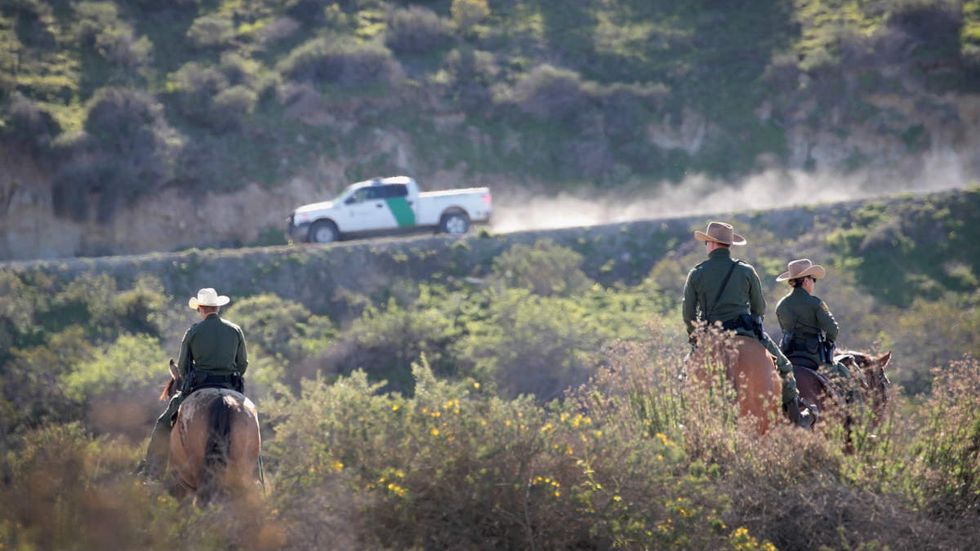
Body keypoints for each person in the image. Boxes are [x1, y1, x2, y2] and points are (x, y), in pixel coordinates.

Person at [682, 221, 812, 427]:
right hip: (745, 331)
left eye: (706, 242)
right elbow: (759, 308)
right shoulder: (746, 270)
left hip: (710, 336)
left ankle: (686, 422)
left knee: (686, 372)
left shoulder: (697, 273)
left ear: (711, 243)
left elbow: (688, 314)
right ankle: (796, 417)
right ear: (728, 244)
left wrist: (696, 340)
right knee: (785, 366)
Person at [139, 287, 248, 479]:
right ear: (217, 308)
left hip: (199, 386)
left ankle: (151, 473)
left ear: (200, 309)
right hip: (230, 386)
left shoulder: (193, 332)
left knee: (163, 422)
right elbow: (242, 364)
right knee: (250, 418)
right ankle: (255, 477)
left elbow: (182, 367)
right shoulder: (235, 330)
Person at [775, 259, 849, 379]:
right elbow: (833, 329)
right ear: (806, 281)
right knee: (844, 374)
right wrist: (829, 342)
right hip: (813, 356)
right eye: (813, 279)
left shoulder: (781, 305)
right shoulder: (815, 303)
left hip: (788, 354)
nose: (814, 283)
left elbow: (785, 329)